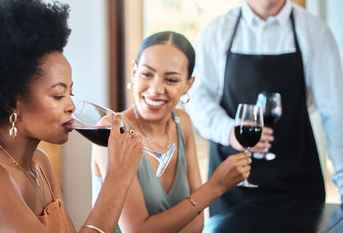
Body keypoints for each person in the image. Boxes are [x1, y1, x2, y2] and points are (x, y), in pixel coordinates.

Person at [0, 0, 143, 233]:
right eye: (58, 95)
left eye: (71, 93)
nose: (70, 106)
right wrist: (117, 178)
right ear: (12, 102)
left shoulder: (40, 164)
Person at [186, 0, 343, 216]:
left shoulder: (315, 32)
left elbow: (336, 114)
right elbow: (197, 99)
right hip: (231, 185)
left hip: (299, 184)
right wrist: (229, 131)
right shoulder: (217, 32)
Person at [92, 31, 252, 232]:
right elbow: (138, 230)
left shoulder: (181, 122)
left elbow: (197, 223)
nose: (156, 89)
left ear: (188, 85)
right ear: (134, 71)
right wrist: (216, 186)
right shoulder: (111, 131)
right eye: (147, 74)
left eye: (171, 80)